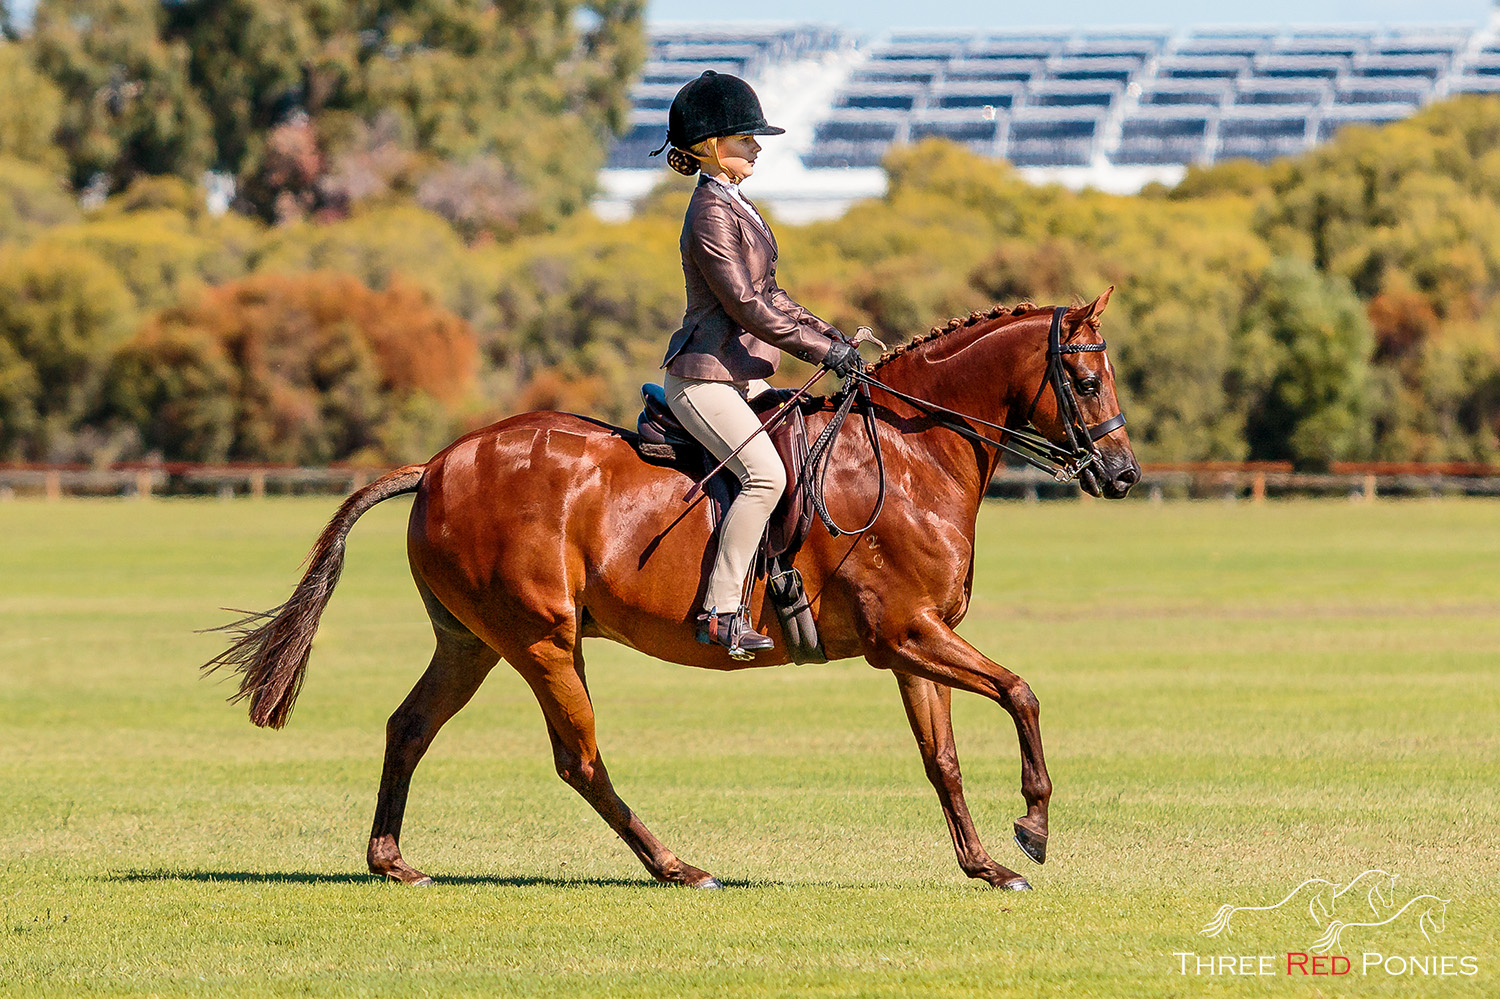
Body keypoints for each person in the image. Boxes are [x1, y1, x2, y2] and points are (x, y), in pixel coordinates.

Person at [653, 70, 863, 658]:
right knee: (766, 476)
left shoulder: (736, 203)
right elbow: (746, 305)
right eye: (745, 138)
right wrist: (822, 352)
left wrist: (834, 338)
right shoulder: (710, 213)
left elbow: (772, 293)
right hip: (703, 380)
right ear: (710, 147)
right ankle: (720, 611)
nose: (756, 147)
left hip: (738, 377)